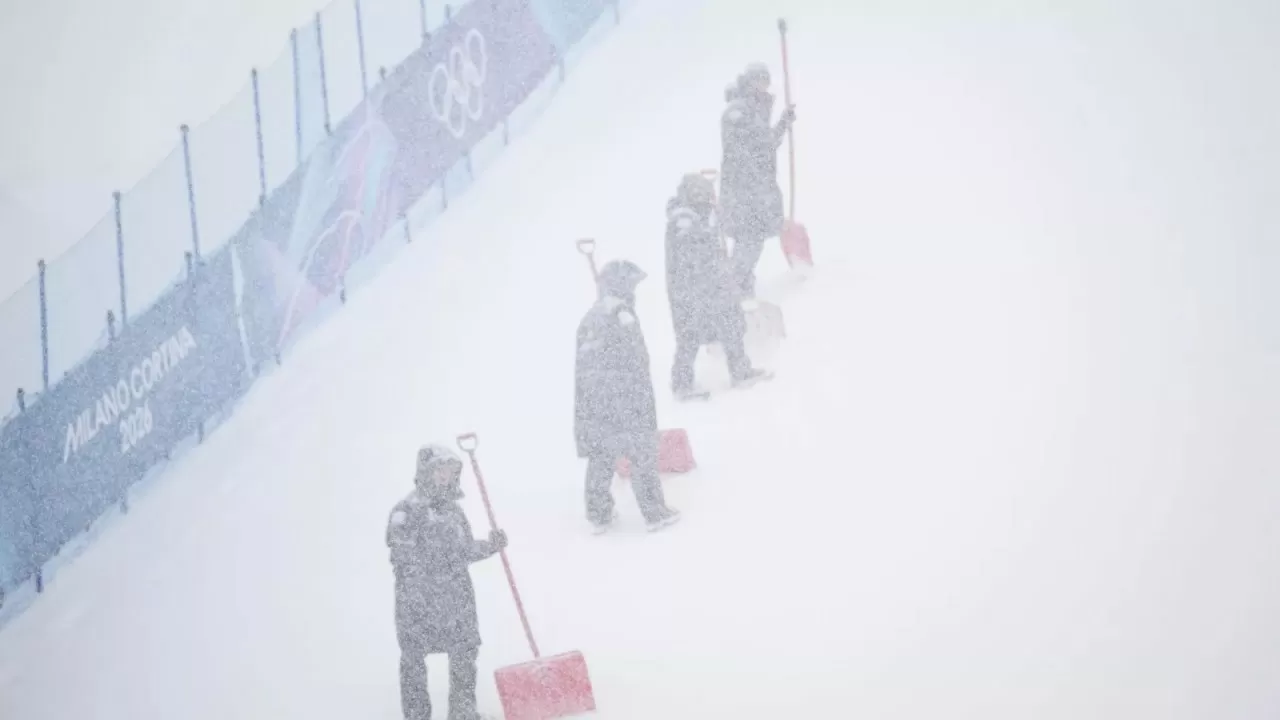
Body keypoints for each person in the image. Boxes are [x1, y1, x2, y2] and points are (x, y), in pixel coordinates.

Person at [387, 445, 508, 720]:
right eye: (440, 470)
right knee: (413, 662)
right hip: (419, 604)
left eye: (451, 471)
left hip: (456, 600)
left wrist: (490, 546)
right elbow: (404, 560)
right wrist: (427, 585)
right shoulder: (405, 512)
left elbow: (463, 551)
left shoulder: (454, 511)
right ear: (426, 472)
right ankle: (417, 716)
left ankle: (462, 713)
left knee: (464, 655)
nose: (446, 476)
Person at [573, 260, 681, 533]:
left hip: (593, 402)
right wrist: (636, 402)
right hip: (625, 397)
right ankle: (655, 512)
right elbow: (636, 360)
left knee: (602, 453)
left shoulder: (590, 317)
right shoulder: (622, 315)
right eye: (632, 285)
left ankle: (599, 513)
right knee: (641, 451)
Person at [664, 172, 768, 399]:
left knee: (730, 326)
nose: (706, 199)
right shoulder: (682, 220)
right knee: (689, 337)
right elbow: (694, 254)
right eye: (702, 195)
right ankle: (682, 384)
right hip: (692, 291)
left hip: (709, 288)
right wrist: (710, 229)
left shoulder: (699, 215)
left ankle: (740, 372)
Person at [719, 62, 796, 299]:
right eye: (759, 81)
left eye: (766, 82)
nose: (763, 86)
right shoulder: (738, 112)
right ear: (749, 82)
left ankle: (741, 287)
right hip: (743, 193)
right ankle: (734, 289)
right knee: (748, 240)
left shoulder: (753, 110)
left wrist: (782, 124)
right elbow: (753, 148)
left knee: (752, 241)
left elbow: (765, 144)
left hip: (755, 192)